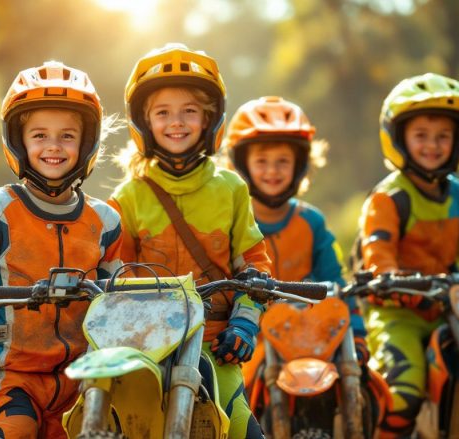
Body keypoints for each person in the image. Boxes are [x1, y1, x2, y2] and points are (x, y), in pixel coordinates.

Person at [0, 61, 123, 439]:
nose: (53, 146)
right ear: (18, 141)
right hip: (14, 374)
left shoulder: (106, 220)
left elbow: (120, 287)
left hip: (87, 377)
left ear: (87, 143)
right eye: (39, 135)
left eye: (68, 136)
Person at [109, 43, 268, 439]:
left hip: (217, 345)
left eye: (189, 111)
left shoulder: (232, 188)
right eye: (163, 112)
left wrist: (245, 326)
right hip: (143, 349)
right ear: (144, 122)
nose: (175, 122)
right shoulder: (127, 198)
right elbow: (110, 278)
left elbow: (255, 268)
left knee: (242, 431)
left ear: (209, 120)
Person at [357, 73, 459, 438]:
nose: (432, 145)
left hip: (451, 311)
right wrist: (391, 280)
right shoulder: (389, 198)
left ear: (458, 140)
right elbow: (377, 254)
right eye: (421, 135)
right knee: (403, 391)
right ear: (399, 137)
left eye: (443, 136)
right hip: (396, 314)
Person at [221, 96, 368, 412]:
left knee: (363, 391)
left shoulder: (311, 221)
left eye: (283, 161)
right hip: (251, 336)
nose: (272, 171)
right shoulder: (229, 222)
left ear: (300, 165)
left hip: (311, 335)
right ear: (240, 164)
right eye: (261, 161)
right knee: (235, 403)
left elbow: (337, 284)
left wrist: (357, 334)